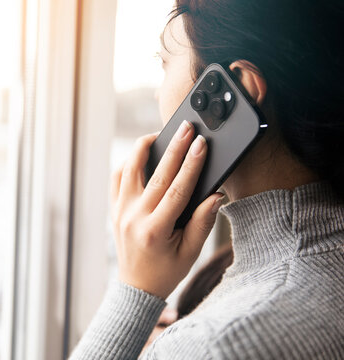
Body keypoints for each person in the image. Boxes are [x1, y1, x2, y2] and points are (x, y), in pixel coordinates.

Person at [69, 0, 344, 359]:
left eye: (165, 63)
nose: (157, 93)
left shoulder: (214, 343)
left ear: (240, 87)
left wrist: (134, 292)